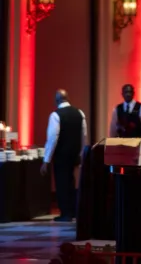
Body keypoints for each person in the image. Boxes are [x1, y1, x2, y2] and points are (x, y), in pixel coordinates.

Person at [40, 89, 87, 222]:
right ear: (67, 98)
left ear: (57, 100)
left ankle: (65, 213)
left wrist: (46, 159)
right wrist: (82, 153)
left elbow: (52, 138)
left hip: (61, 155)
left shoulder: (56, 115)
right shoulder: (80, 113)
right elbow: (83, 135)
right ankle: (72, 211)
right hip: (74, 154)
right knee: (71, 181)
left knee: (61, 183)